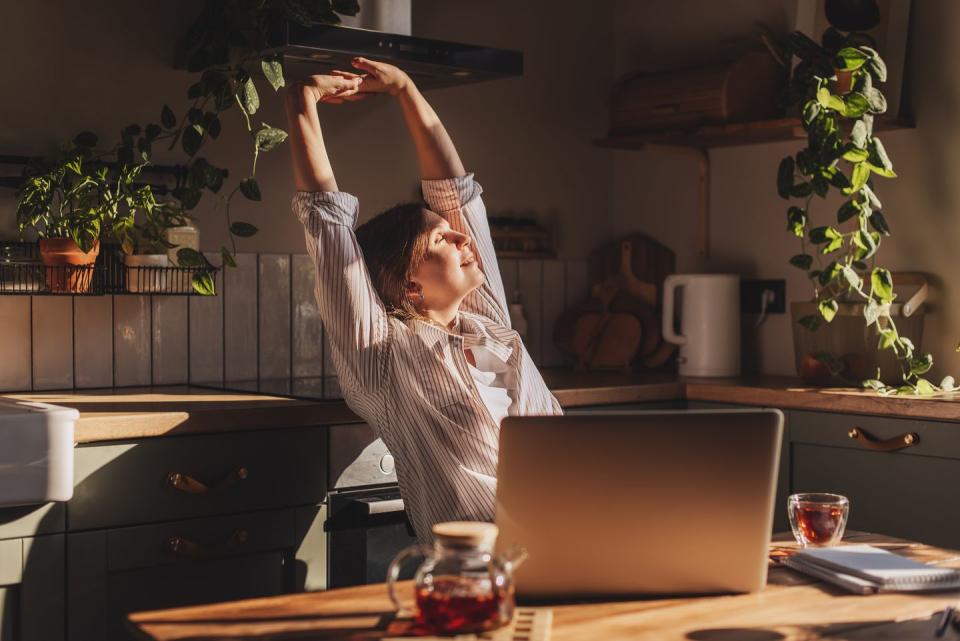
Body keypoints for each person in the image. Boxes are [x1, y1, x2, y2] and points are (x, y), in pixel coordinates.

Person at [285, 57, 562, 543]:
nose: (462, 239)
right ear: (408, 285)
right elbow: (326, 223)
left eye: (455, 234)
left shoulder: (487, 323)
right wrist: (300, 100)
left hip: (580, 530)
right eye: (440, 240)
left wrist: (406, 90)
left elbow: (458, 195)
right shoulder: (382, 356)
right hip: (478, 566)